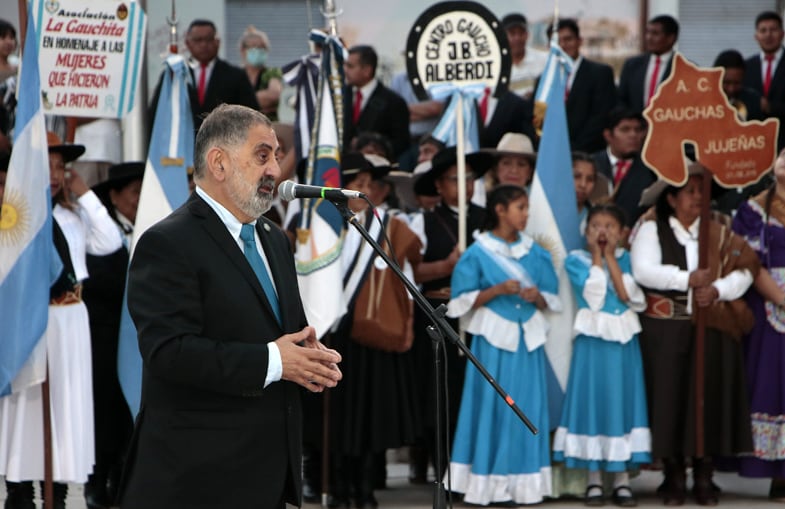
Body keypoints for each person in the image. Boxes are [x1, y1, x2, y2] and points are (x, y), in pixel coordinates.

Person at [118, 104, 342, 509]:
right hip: (196, 478)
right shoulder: (168, 244)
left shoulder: (274, 239)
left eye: (276, 155)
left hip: (267, 474)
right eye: (262, 155)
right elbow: (169, 352)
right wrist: (275, 362)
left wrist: (308, 357)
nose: (276, 168)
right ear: (218, 163)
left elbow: (277, 334)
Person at [1, 132, 124, 509]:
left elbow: (110, 241)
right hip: (33, 319)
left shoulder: (71, 216)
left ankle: (59, 484)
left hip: (71, 319)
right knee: (28, 401)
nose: (54, 175)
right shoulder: (15, 219)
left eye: (60, 167)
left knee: (65, 402)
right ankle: (21, 485)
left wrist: (85, 194)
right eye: (47, 166)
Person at [630, 163, 757, 506]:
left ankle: (705, 473)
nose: (698, 198)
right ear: (671, 198)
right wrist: (685, 279)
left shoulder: (722, 230)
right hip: (666, 330)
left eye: (703, 192)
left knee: (708, 397)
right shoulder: (650, 230)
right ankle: (672, 474)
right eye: (690, 192)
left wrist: (716, 289)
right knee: (670, 398)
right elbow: (643, 270)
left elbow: (745, 270)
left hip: (712, 324)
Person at [444, 184, 559, 505]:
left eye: (526, 208)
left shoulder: (536, 252)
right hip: (493, 341)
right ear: (500, 209)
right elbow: (459, 302)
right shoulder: (478, 252)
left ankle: (524, 485)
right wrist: (495, 291)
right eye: (520, 207)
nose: (525, 214)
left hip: (527, 341)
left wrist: (537, 297)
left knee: (527, 407)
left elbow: (551, 296)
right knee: (493, 406)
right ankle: (488, 483)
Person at [327, 152, 422, 508]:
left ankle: (364, 488)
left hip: (372, 337)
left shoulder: (389, 227)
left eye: (369, 185)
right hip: (335, 333)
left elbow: (405, 281)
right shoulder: (326, 225)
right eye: (357, 183)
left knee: (368, 417)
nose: (363, 190)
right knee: (338, 417)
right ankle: (338, 488)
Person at [553, 203, 651, 507]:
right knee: (593, 403)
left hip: (622, 342)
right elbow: (593, 298)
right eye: (596, 225)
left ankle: (621, 480)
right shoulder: (576, 260)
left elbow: (628, 296)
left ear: (622, 233)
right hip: (592, 342)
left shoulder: (629, 260)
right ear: (586, 232)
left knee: (621, 403)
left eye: (610, 226)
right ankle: (594, 480)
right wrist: (598, 257)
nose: (602, 231)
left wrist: (611, 258)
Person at [409, 146, 493, 481]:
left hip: (482, 317)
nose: (465, 185)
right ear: (439, 186)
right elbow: (410, 272)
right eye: (455, 179)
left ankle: (476, 469)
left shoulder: (489, 219)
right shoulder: (423, 221)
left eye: (470, 178)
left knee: (477, 391)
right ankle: (442, 468)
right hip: (437, 316)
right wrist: (447, 266)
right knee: (440, 395)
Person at [81, 162, 145, 509]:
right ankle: (97, 478)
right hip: (105, 335)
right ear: (115, 195)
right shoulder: (99, 232)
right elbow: (94, 280)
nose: (138, 199)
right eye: (134, 191)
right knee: (104, 409)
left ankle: (125, 475)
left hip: (141, 337)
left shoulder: (156, 226)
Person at [731, 148, 785, 501]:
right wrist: (781, 299)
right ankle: (779, 473)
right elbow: (749, 261)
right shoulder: (753, 210)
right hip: (770, 305)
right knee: (773, 385)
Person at [149, 19, 258, 132]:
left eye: (209, 39)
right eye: (198, 40)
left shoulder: (236, 76)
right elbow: (155, 114)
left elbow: (252, 115)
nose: (204, 44)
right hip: (183, 144)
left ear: (217, 42)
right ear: (188, 43)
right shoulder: (174, 74)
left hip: (223, 142)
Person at [550, 18, 617, 153]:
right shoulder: (544, 80)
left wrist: (573, 149)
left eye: (568, 39)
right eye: (557, 42)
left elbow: (601, 117)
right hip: (552, 154)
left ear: (579, 41)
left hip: (587, 154)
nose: (563, 45)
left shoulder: (600, 74)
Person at [591, 108, 655, 227]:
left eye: (638, 130)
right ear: (608, 135)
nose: (633, 135)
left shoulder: (651, 169)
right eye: (625, 129)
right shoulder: (591, 165)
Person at [343, 45, 410, 159]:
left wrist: (375, 147)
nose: (345, 70)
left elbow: (401, 142)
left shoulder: (393, 102)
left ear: (367, 70)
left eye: (350, 66)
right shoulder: (340, 97)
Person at [618, 15, 679, 114]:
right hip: (637, 127)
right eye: (647, 32)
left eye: (655, 34)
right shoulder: (632, 65)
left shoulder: (684, 68)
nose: (648, 38)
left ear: (671, 38)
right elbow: (621, 99)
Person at [744, 11, 785, 150]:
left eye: (773, 30)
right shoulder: (746, 66)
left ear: (782, 34)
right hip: (754, 143)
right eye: (763, 30)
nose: (768, 35)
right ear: (756, 36)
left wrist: (771, 107)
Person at [239, 26, 283, 121]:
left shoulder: (272, 72)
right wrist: (261, 105)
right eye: (254, 46)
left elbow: (273, 95)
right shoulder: (236, 74)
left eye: (262, 47)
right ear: (243, 50)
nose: (259, 50)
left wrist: (241, 103)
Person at [503, 13, 548, 99]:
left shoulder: (543, 59)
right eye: (512, 34)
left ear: (527, 35)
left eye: (521, 33)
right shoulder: (497, 66)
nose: (517, 38)